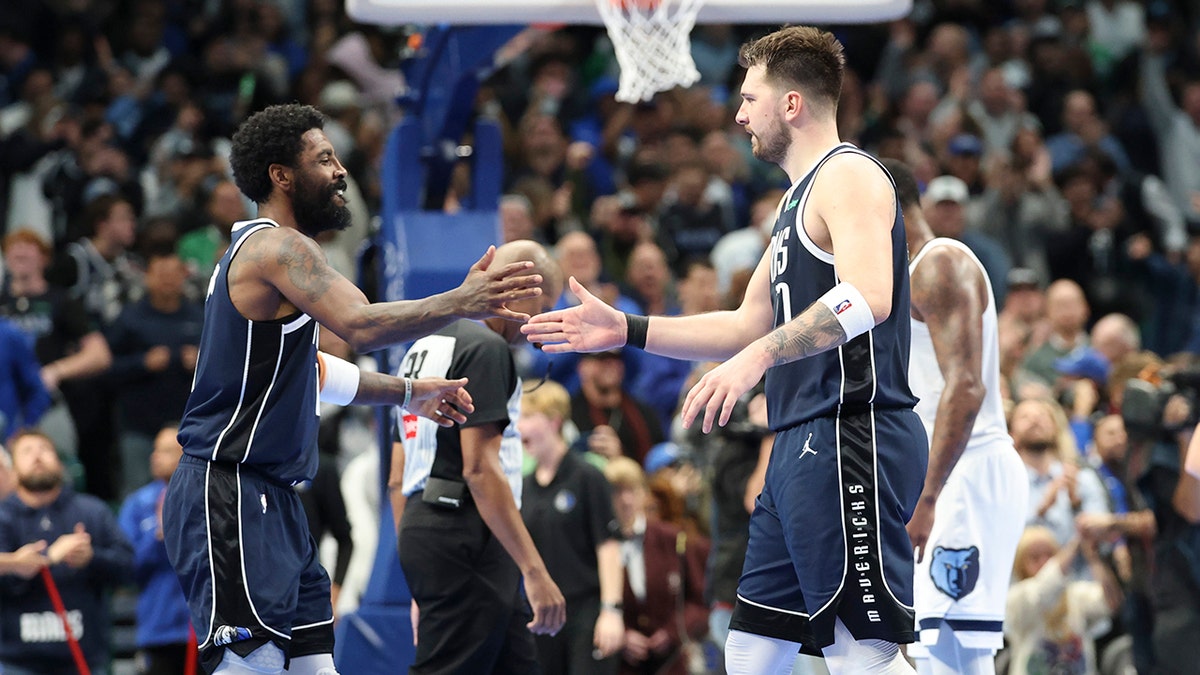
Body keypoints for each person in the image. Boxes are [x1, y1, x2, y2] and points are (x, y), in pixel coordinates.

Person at [525, 26, 926, 675]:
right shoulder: (794, 204)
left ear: (790, 104)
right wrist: (625, 328)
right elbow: (744, 322)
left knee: (863, 655)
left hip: (851, 433)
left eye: (749, 97)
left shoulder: (849, 175)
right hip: (800, 442)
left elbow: (870, 296)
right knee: (750, 649)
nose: (738, 114)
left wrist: (760, 358)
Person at [161, 103, 546, 675]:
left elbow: (314, 370)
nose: (340, 170)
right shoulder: (278, 248)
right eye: (324, 158)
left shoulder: (268, 256)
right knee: (253, 667)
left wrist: (406, 391)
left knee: (318, 668)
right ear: (281, 175)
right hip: (231, 491)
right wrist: (460, 302)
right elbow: (361, 324)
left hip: (276, 499)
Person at [389, 239, 568, 674]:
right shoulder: (486, 349)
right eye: (546, 305)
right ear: (525, 290)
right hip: (467, 532)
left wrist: (421, 571)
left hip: (424, 527)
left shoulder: (418, 348)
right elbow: (479, 470)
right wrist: (535, 570)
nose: (540, 321)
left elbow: (397, 477)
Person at [882, 159, 1029, 675]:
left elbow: (966, 389)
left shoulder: (939, 264)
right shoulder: (902, 278)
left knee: (943, 655)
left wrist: (927, 500)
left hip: (962, 476)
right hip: (947, 478)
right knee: (956, 657)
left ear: (885, 205)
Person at [0, 429, 134, 675]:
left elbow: (129, 568)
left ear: (61, 465)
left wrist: (92, 558)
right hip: (16, 661)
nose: (37, 456)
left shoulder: (92, 511)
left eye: (45, 450)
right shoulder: (4, 517)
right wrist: (39, 560)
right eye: (27, 452)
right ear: (13, 469)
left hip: (83, 659)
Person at [519, 379, 625, 674]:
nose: (518, 427)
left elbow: (608, 547)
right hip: (541, 615)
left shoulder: (587, 475)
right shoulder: (523, 486)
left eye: (527, 417)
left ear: (554, 421)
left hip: (585, 613)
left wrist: (611, 611)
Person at [604, 456, 709, 675]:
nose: (626, 500)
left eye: (632, 490)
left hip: (671, 663)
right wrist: (620, 634)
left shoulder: (671, 539)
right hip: (617, 663)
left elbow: (699, 600)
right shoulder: (598, 546)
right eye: (616, 491)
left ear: (644, 493)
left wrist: (672, 632)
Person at [117, 424, 202, 675]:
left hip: (204, 628)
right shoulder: (137, 504)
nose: (155, 456)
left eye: (166, 450)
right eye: (155, 450)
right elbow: (127, 568)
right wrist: (159, 537)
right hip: (158, 628)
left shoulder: (208, 495)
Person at [1004, 526, 1122, 675]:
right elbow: (1042, 591)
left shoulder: (1075, 594)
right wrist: (1075, 543)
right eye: (1035, 557)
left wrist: (1094, 558)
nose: (1044, 562)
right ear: (1021, 564)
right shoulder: (1016, 597)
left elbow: (1111, 602)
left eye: (1050, 555)